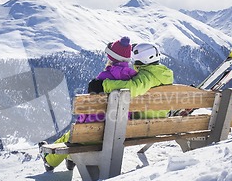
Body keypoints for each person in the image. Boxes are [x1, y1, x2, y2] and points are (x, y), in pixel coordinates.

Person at [40, 42, 174, 172]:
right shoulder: (164, 74)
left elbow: (132, 88)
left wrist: (104, 85)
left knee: (75, 135)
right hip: (156, 124)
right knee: (84, 133)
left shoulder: (147, 76)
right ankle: (71, 158)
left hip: (139, 126)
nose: (134, 64)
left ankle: (50, 160)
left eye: (136, 61)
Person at [41, 37, 137, 172]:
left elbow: (90, 112)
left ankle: (49, 161)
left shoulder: (102, 79)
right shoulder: (133, 78)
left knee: (71, 136)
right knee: (77, 134)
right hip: (123, 131)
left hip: (95, 134)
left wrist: (81, 123)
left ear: (111, 57)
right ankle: (70, 159)